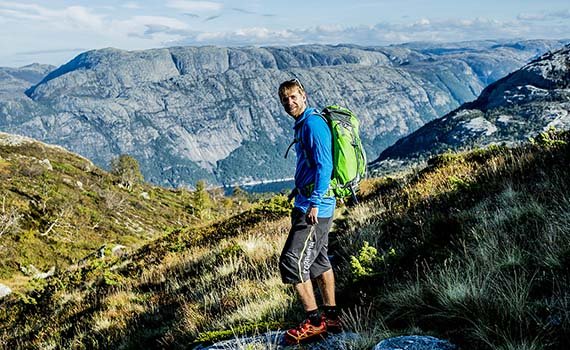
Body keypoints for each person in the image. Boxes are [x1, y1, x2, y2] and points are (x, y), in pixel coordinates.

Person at [277, 78, 341, 344]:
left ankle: (315, 323)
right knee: (318, 260)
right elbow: (311, 165)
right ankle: (332, 317)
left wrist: (314, 201)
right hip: (309, 202)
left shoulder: (313, 125)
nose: (289, 103)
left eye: (293, 97)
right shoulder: (304, 123)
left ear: (303, 96)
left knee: (291, 260)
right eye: (284, 99)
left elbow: (325, 165)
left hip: (315, 208)